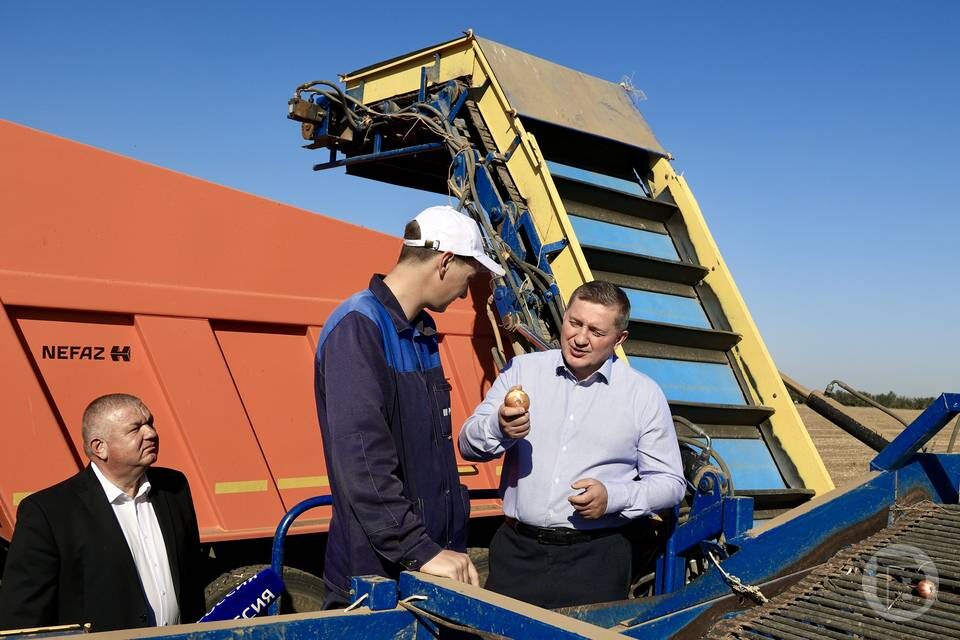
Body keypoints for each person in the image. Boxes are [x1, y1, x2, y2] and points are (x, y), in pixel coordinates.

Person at [314, 205, 505, 608]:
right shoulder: (359, 327)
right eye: (468, 279)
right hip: (380, 577)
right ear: (445, 262)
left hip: (426, 564)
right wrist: (421, 550)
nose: (464, 293)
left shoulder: (418, 332)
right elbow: (363, 463)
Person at [459, 280, 685, 608]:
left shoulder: (643, 395)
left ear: (619, 339)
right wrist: (499, 427)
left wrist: (614, 497)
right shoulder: (523, 371)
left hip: (597, 560)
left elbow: (671, 484)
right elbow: (468, 443)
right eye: (574, 323)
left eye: (596, 331)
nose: (579, 339)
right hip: (517, 555)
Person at [0, 394, 205, 631]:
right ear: (100, 447)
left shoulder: (174, 488)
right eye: (135, 428)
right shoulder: (49, 512)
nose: (151, 433)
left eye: (150, 423)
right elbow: (22, 616)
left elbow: (191, 580)